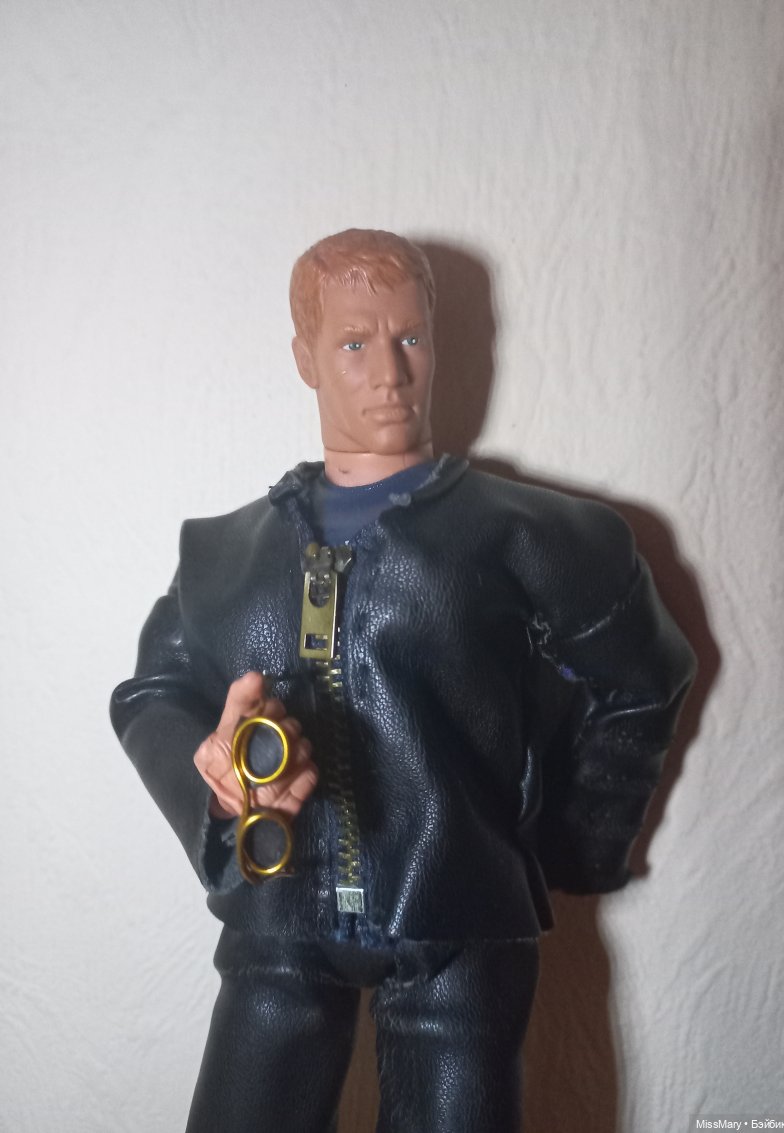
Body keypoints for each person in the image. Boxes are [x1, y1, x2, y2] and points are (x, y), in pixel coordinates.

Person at [111, 228, 696, 1133]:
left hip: (457, 918)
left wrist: (567, 847)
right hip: (279, 915)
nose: (389, 372)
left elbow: (643, 678)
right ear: (305, 358)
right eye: (354, 342)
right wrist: (216, 781)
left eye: (410, 336)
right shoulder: (225, 556)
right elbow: (151, 691)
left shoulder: (530, 535)